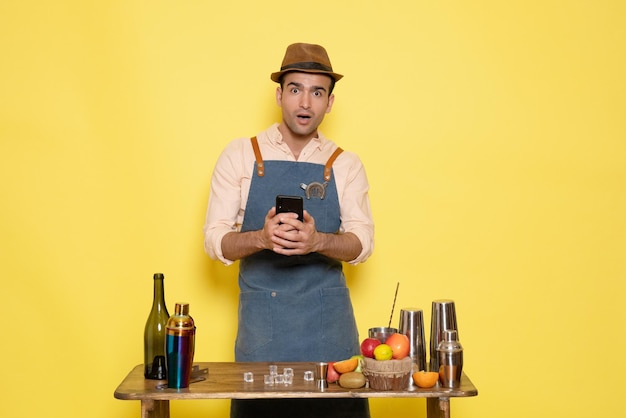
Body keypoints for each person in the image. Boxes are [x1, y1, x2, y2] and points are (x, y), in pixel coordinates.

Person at [203, 42, 374, 418]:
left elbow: (362, 243)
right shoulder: (241, 155)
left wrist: (318, 241)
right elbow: (215, 240)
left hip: (330, 336)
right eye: (296, 89)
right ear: (279, 94)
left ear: (330, 102)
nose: (305, 103)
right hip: (263, 336)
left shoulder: (345, 164)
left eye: (317, 92)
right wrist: (261, 238)